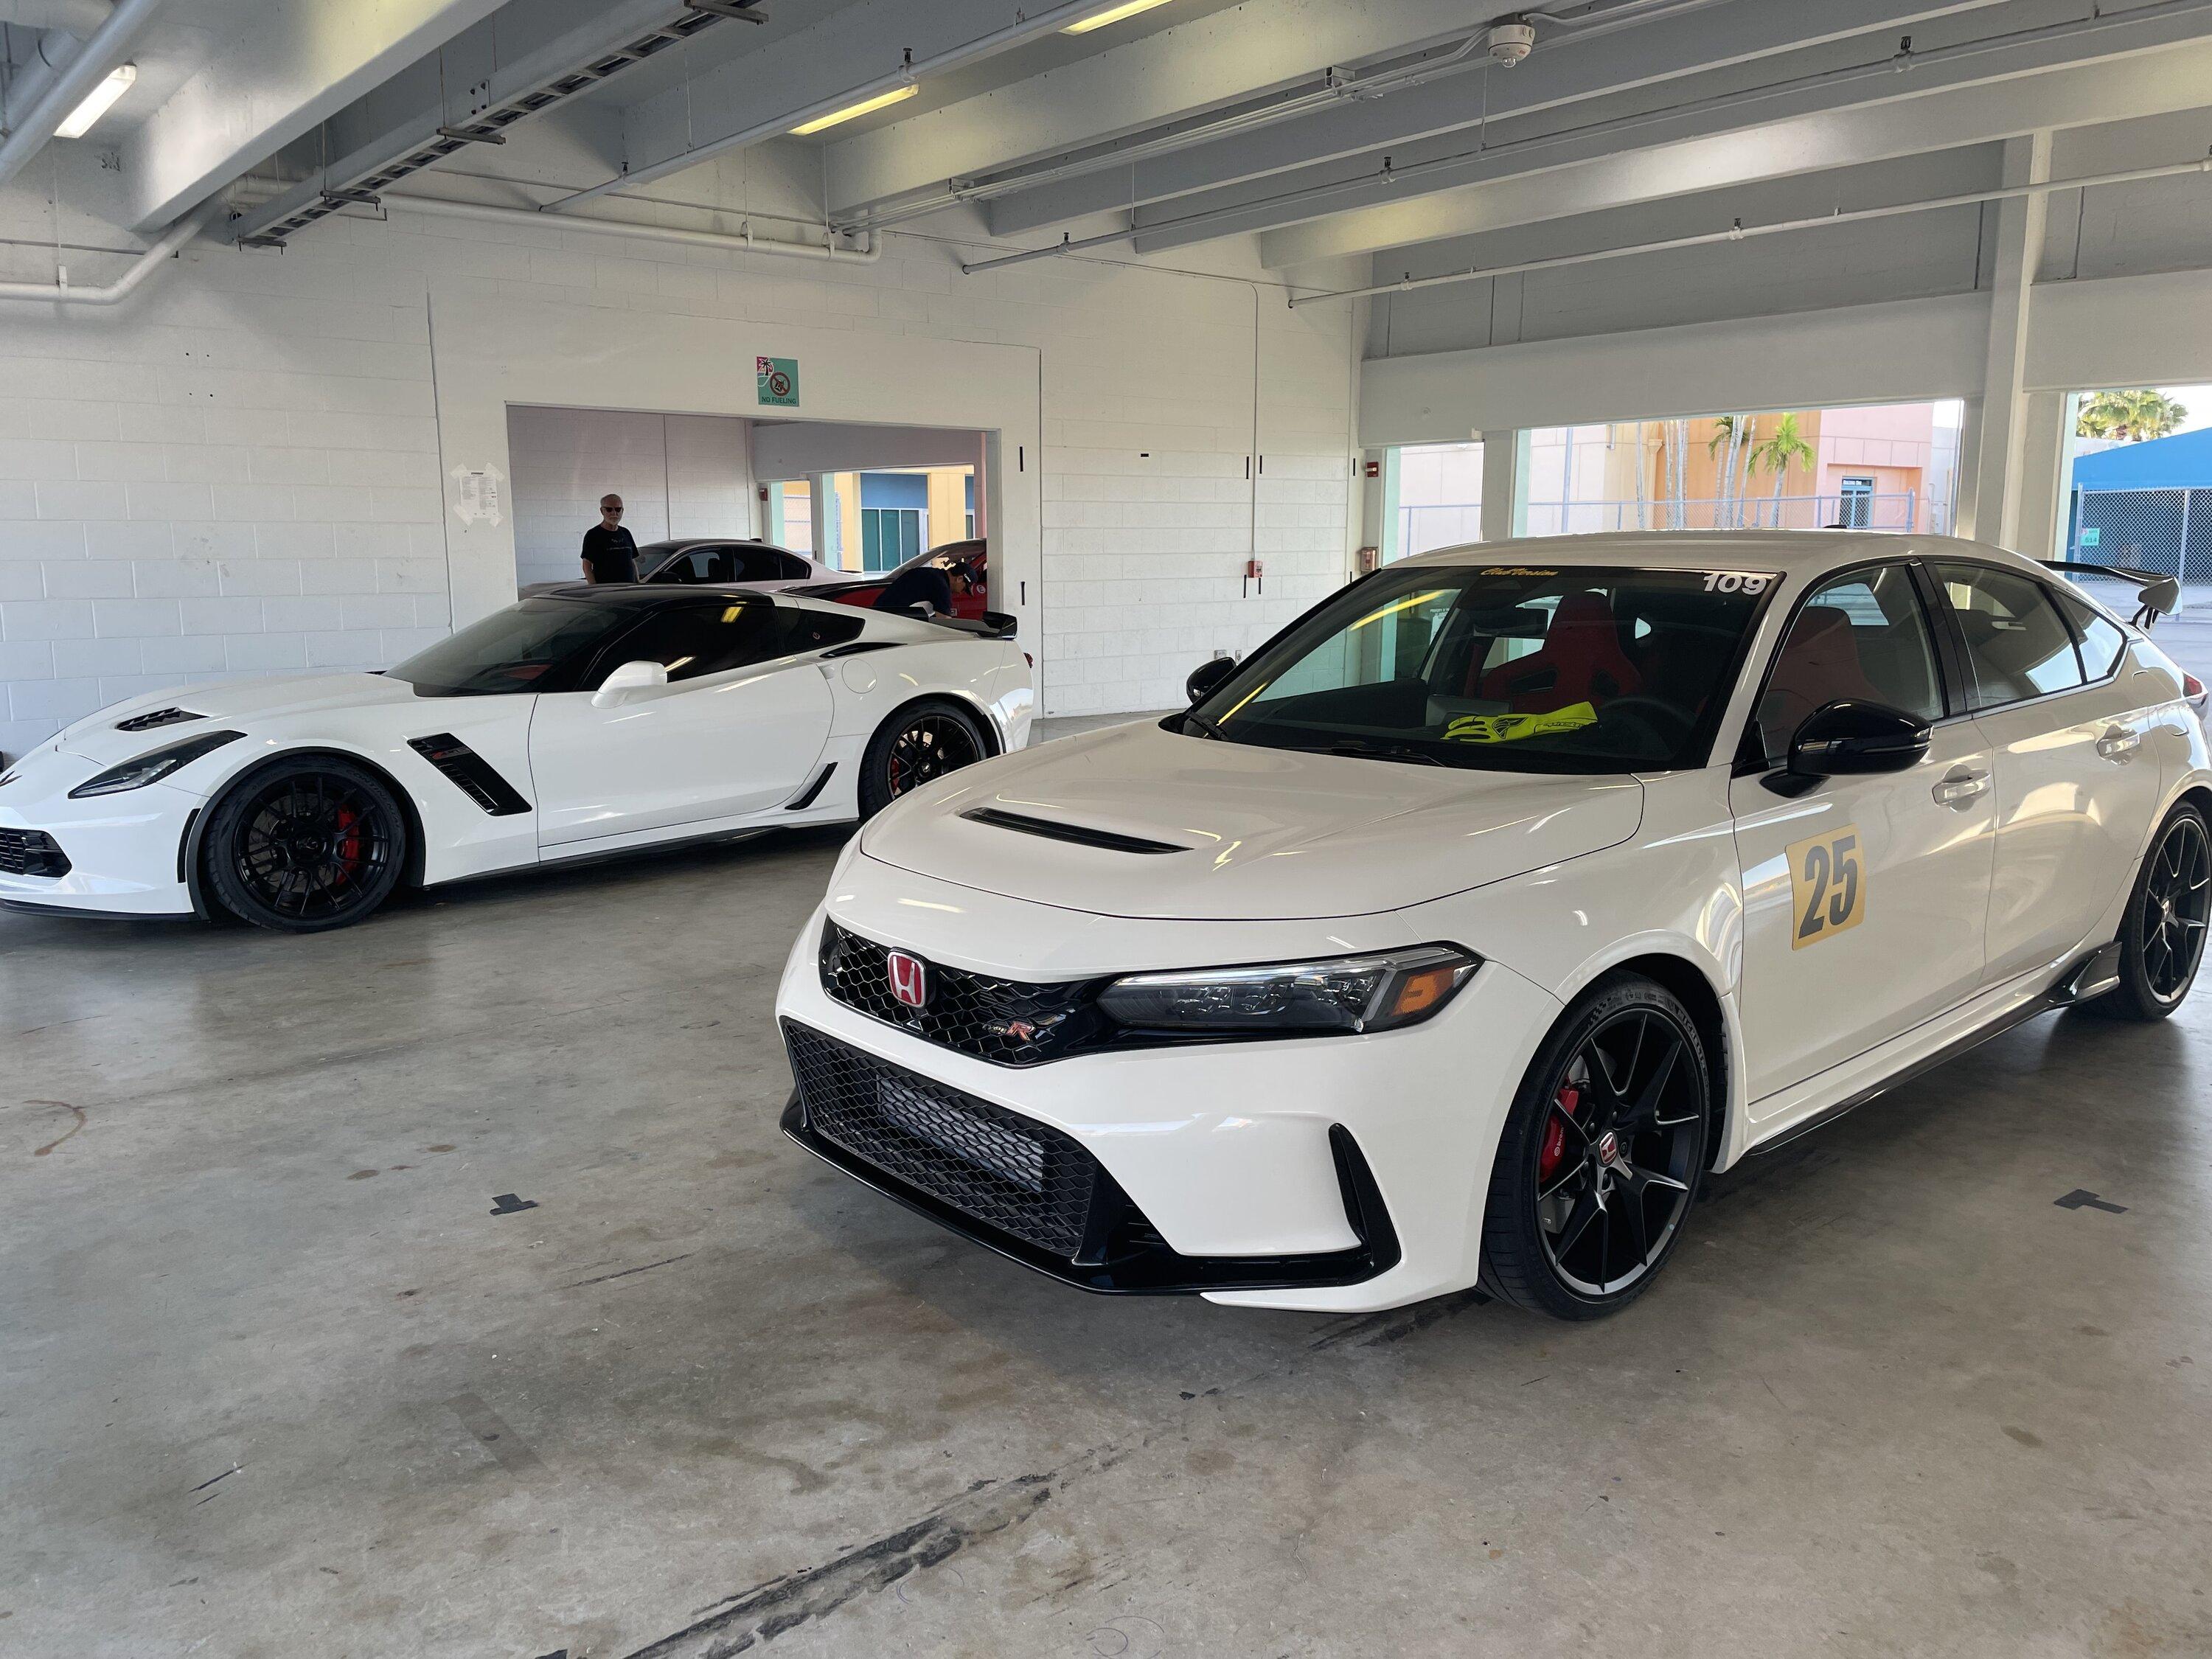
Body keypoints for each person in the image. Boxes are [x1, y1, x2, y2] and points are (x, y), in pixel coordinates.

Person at [580, 494, 639, 583]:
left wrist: (637, 583)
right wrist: (594, 589)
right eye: (609, 509)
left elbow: (632, 561)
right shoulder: (593, 535)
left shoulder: (626, 533)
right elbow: (587, 566)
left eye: (618, 509)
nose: (614, 513)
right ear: (602, 511)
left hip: (628, 591)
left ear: (622, 511)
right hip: (607, 592)